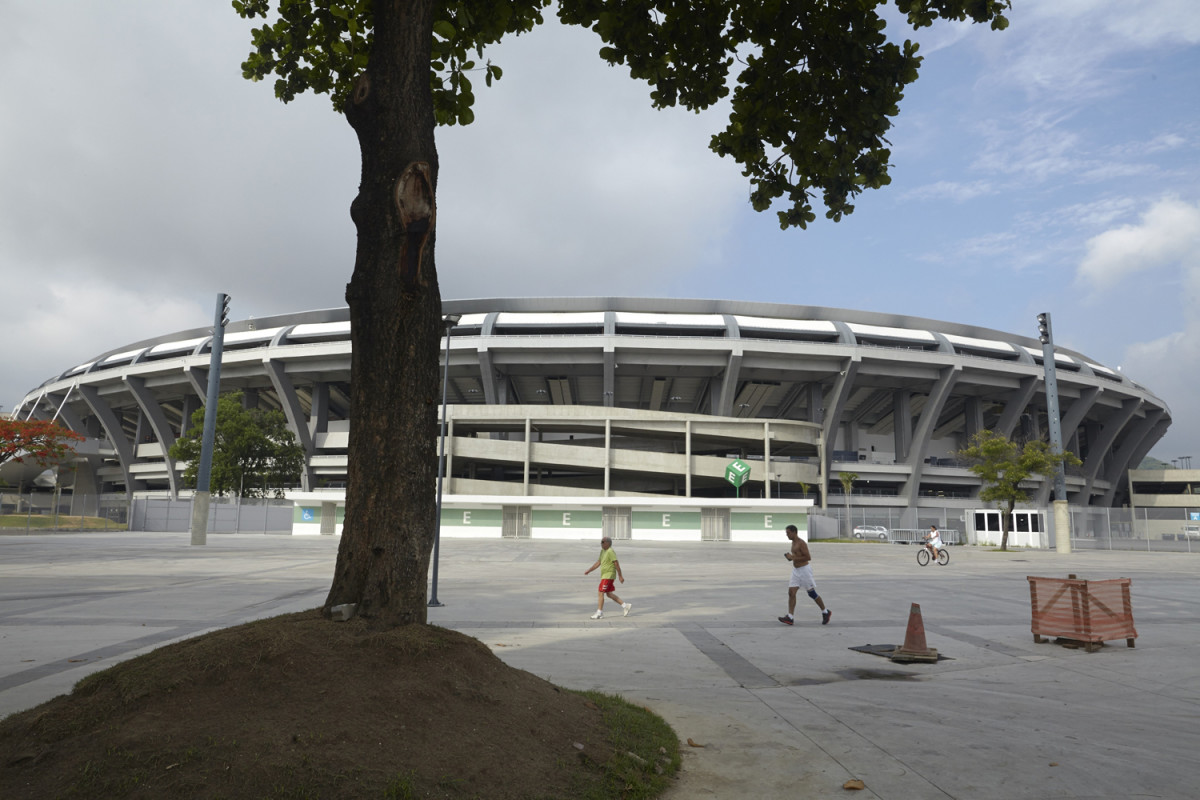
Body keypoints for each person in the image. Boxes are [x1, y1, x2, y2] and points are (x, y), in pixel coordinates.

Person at [779, 524, 831, 625]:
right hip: (796, 571)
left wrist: (793, 557)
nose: (787, 535)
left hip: (804, 570)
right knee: (791, 592)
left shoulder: (801, 543)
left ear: (794, 532)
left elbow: (808, 557)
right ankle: (790, 617)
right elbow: (797, 556)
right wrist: (790, 557)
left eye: (788, 533)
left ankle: (825, 612)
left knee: (811, 593)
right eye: (786, 533)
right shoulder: (793, 543)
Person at [584, 536, 632, 619]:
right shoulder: (602, 551)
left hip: (609, 575)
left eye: (603, 542)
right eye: (601, 542)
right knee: (609, 594)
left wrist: (620, 576)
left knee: (600, 592)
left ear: (608, 543)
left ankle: (599, 613)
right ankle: (625, 606)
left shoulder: (610, 551)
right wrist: (589, 570)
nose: (601, 544)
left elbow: (616, 563)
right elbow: (598, 562)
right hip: (604, 575)